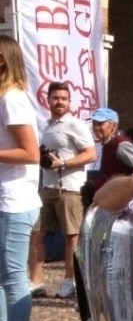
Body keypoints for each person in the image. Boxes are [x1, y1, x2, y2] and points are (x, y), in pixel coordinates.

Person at [30, 81, 97, 300]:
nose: (59, 102)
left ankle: (70, 281)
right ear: (48, 100)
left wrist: (64, 164)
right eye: (55, 98)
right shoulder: (48, 126)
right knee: (37, 233)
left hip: (70, 188)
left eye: (63, 98)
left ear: (69, 102)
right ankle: (36, 282)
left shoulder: (75, 125)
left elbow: (91, 154)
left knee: (71, 236)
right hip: (47, 186)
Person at [0, 36, 41, 321]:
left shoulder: (12, 98)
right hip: (6, 200)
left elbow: (31, 153)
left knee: (14, 279)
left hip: (15, 202)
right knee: (3, 278)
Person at [91, 107, 133, 191]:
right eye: (94, 123)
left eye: (100, 124)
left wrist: (128, 185)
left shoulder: (120, 145)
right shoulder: (107, 144)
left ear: (113, 126)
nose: (96, 128)